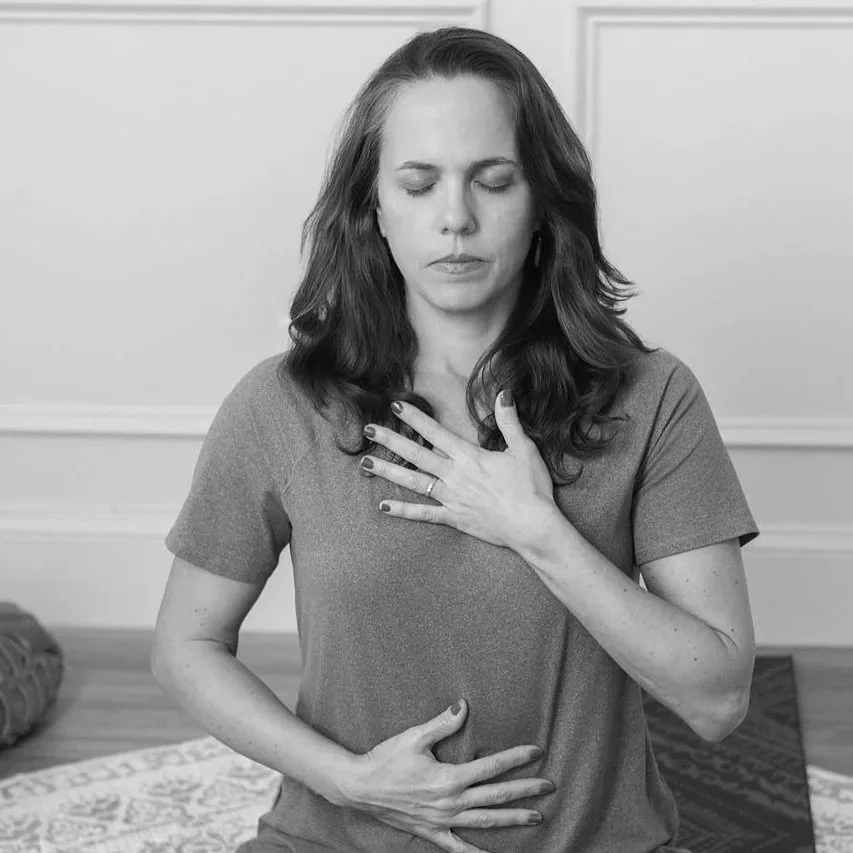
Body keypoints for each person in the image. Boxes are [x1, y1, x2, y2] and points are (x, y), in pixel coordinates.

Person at [151, 25, 760, 853]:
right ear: (374, 206)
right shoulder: (281, 404)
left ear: (541, 197)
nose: (456, 219)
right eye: (418, 182)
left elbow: (717, 699)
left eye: (493, 180)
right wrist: (348, 780)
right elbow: (185, 645)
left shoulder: (651, 397)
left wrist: (537, 531)